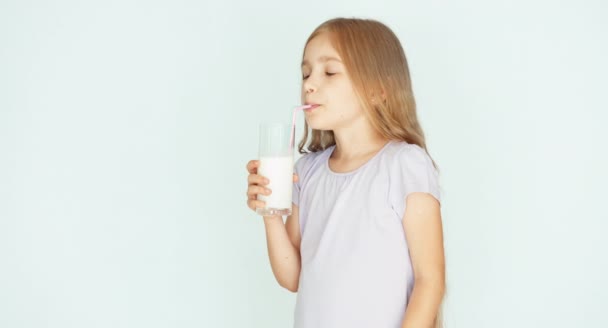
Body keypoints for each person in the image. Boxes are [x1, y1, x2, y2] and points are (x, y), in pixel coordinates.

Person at [246, 17, 445, 328]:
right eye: (305, 73)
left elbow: (429, 281)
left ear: (378, 90)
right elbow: (292, 277)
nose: (309, 84)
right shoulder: (307, 172)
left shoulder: (404, 165)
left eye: (330, 72)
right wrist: (271, 213)